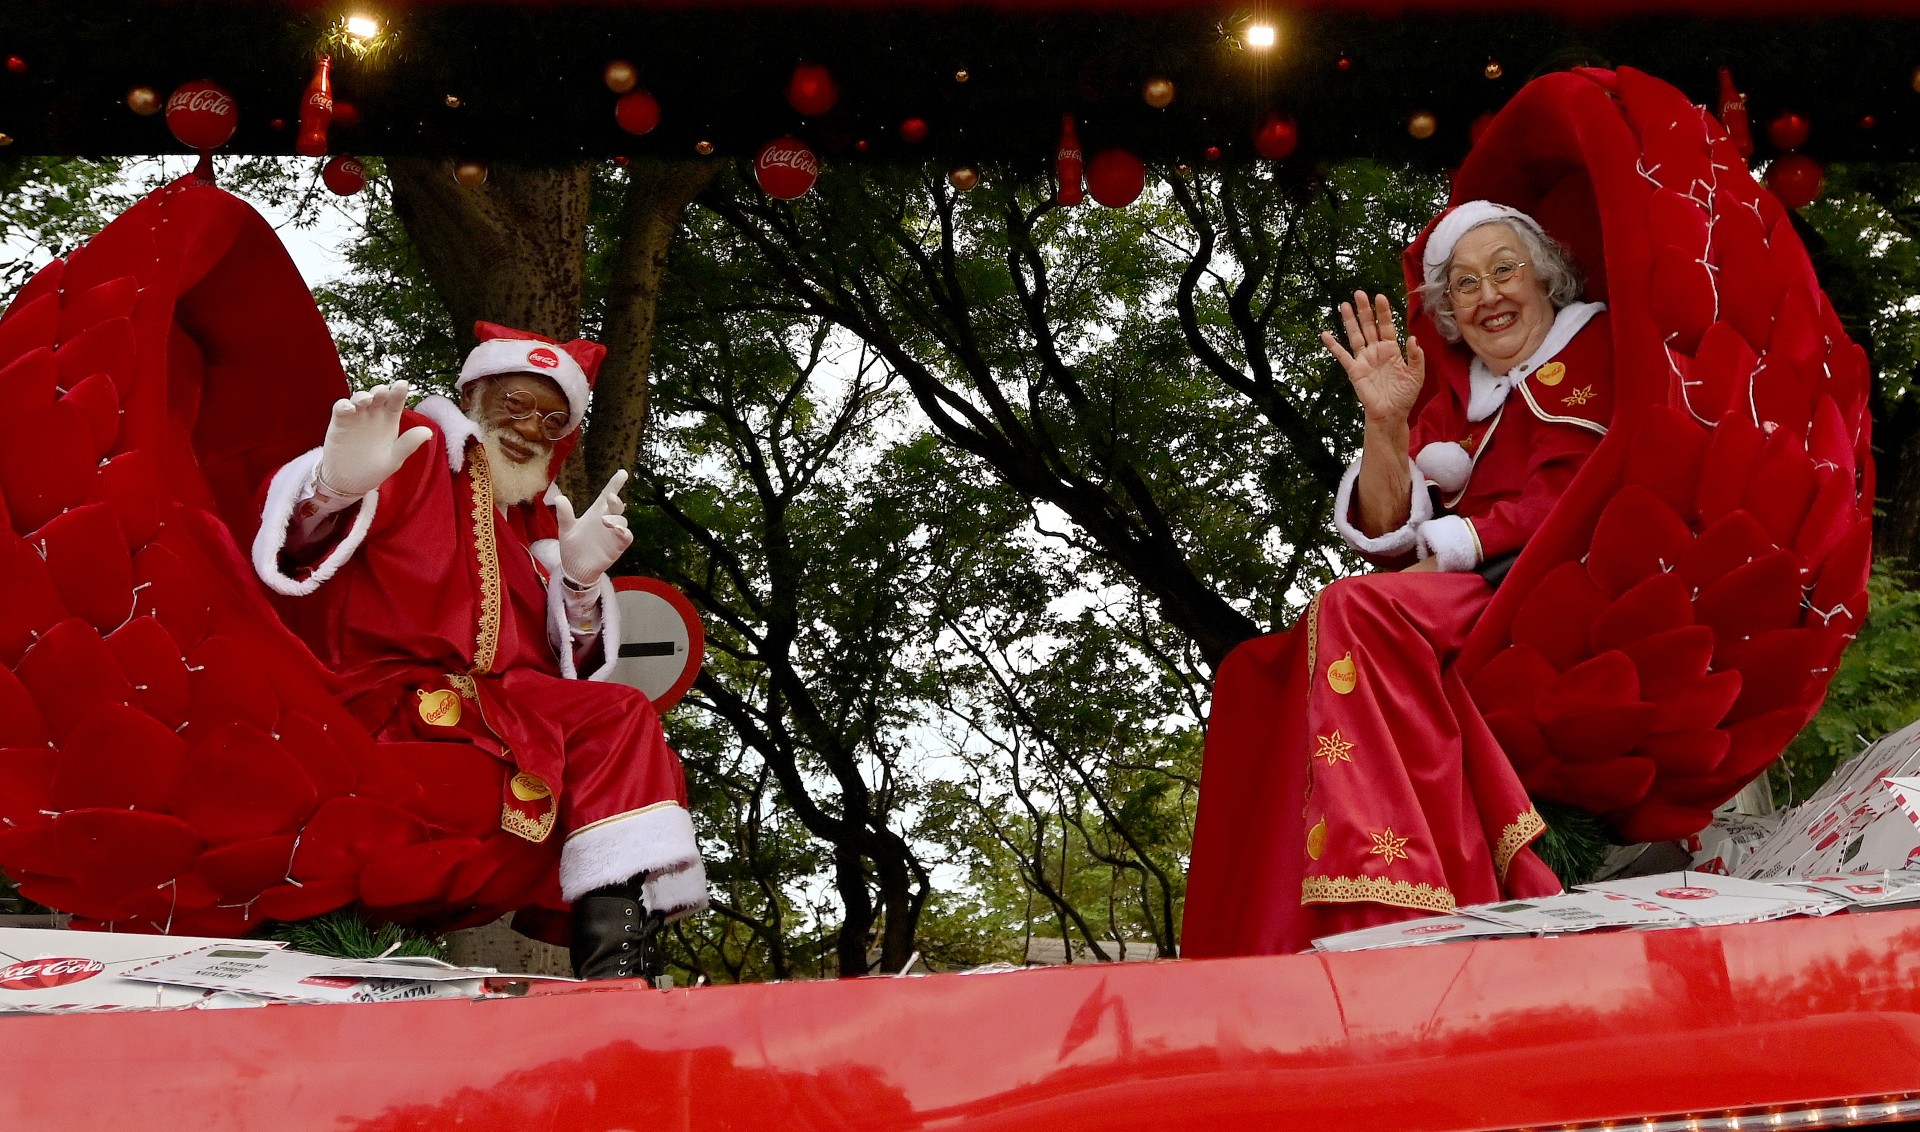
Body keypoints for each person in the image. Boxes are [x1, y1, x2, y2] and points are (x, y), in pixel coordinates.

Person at [1183, 201, 1613, 956]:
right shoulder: (1460, 399)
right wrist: (1384, 426)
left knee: (1352, 609)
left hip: (1545, 583)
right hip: (1465, 588)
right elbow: (1387, 532)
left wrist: (1451, 547)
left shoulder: (1592, 355)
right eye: (1465, 285)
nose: (1488, 296)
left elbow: (1579, 493)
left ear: (1547, 278)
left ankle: (1387, 886)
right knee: (1252, 670)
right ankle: (1265, 928)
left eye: (1504, 270)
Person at [250, 321, 705, 980]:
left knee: (626, 721)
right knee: (616, 724)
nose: (529, 428)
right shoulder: (420, 446)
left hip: (498, 706)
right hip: (390, 697)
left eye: (552, 420)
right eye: (516, 404)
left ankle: (617, 966)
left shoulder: (535, 522)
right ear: (474, 395)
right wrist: (331, 488)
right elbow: (297, 552)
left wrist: (579, 585)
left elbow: (569, 665)